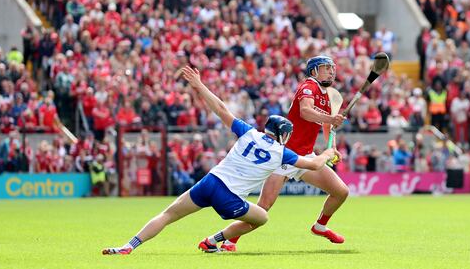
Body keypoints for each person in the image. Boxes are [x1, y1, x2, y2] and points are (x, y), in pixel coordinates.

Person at [101, 67, 338, 256]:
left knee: (167, 215)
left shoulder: (248, 132)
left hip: (210, 182)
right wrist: (328, 154)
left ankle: (128, 246)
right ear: (283, 134)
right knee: (262, 217)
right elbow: (315, 165)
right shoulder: (281, 153)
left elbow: (221, 109)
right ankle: (217, 240)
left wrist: (199, 85)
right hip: (229, 198)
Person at [220, 55, 347, 252]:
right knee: (263, 207)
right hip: (284, 156)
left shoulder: (328, 95)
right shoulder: (309, 86)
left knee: (341, 192)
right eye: (326, 67)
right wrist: (330, 117)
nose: (331, 71)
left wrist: (334, 146)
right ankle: (229, 241)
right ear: (314, 71)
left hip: (306, 157)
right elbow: (305, 111)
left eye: (332, 67)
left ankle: (320, 226)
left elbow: (328, 125)